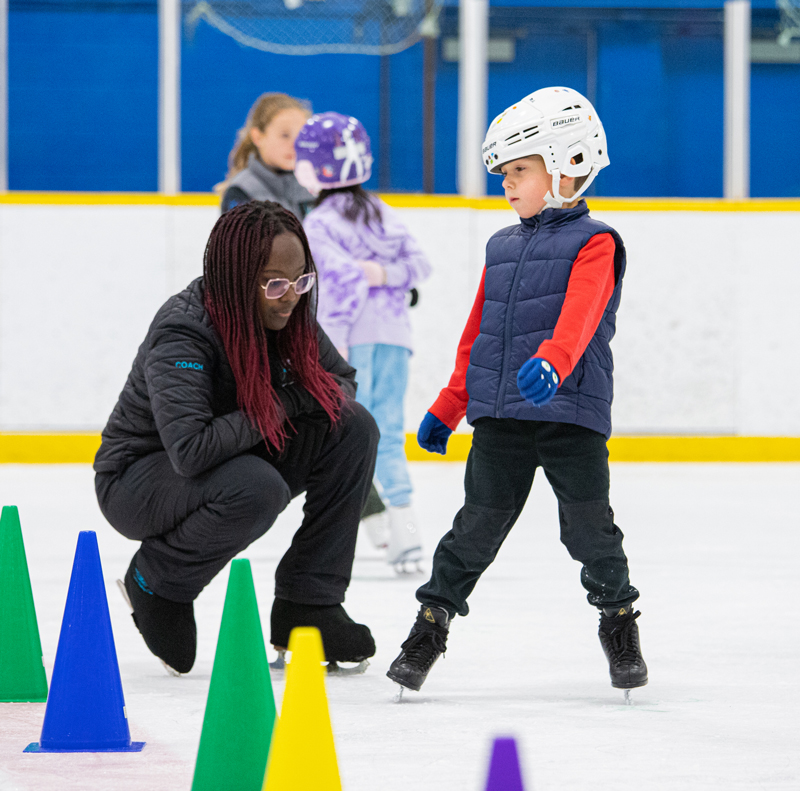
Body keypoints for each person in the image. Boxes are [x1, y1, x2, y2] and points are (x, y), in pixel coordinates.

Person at [386, 86, 648, 694]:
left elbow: (582, 314)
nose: (507, 185)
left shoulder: (597, 242)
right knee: (473, 529)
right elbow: (478, 331)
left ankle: (619, 621)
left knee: (589, 532)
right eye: (503, 174)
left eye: (520, 171)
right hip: (501, 416)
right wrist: (451, 403)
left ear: (568, 164)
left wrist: (555, 361)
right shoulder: (500, 246)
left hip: (568, 412)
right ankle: (429, 629)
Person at [94, 200, 379, 675]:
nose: (289, 296)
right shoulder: (184, 330)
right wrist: (288, 401)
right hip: (137, 479)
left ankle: (309, 602)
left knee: (353, 426)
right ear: (234, 279)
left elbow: (340, 381)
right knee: (256, 485)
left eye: (301, 279)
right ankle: (157, 580)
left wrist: (300, 398)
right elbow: (190, 449)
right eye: (274, 283)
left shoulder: (288, 314)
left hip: (236, 452)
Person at [293, 112, 432, 572]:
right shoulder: (381, 212)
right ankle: (396, 530)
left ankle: (392, 530)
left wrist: (333, 348)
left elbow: (343, 285)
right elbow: (417, 265)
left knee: (350, 431)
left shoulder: (319, 224)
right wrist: (387, 276)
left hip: (353, 342)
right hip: (395, 336)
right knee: (386, 429)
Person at [219, 93, 314, 219]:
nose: (294, 145)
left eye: (301, 136)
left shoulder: (312, 186)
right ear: (258, 137)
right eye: (285, 135)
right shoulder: (242, 192)